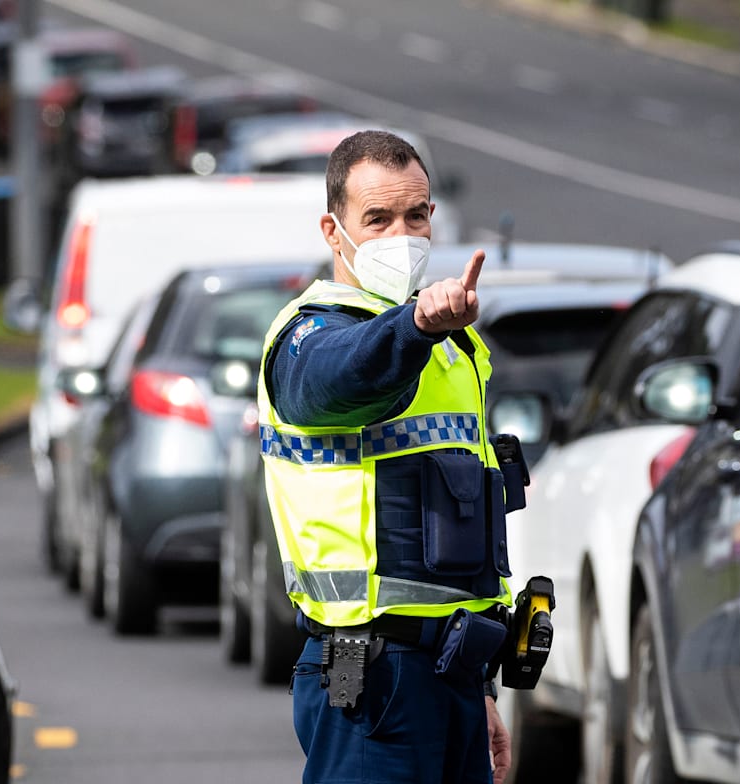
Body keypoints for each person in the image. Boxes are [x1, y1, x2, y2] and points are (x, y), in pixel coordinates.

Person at [257, 130, 518, 784]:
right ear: (332, 228)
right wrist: (416, 329)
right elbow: (346, 377)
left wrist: (480, 687)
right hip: (367, 676)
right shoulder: (308, 336)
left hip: (452, 673)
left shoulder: (454, 347)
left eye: (417, 214)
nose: (402, 233)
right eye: (377, 219)